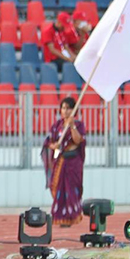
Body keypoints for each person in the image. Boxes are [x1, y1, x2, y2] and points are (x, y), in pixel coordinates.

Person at [42, 96, 86, 227]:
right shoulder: (57, 126)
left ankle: (71, 217)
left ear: (74, 110)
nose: (65, 111)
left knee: (72, 189)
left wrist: (72, 126)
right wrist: (53, 146)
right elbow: (48, 142)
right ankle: (60, 216)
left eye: (68, 108)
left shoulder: (78, 125)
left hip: (73, 162)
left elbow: (78, 140)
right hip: (60, 160)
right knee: (57, 187)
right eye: (63, 108)